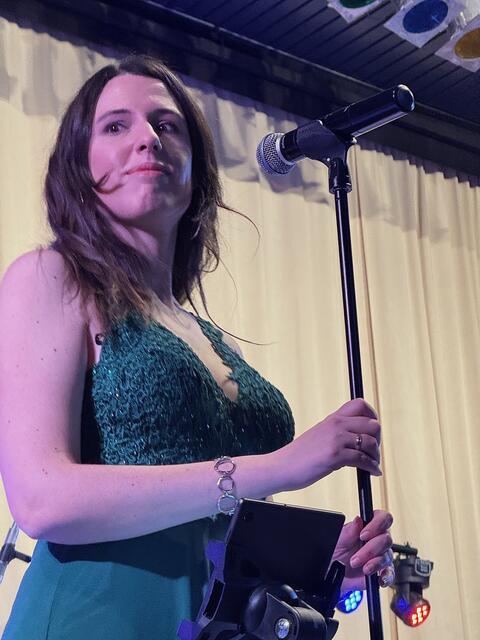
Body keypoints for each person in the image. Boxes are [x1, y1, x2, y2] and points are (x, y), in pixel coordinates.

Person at [0, 55, 394, 639]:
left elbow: (214, 531)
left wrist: (323, 566)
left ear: (196, 170)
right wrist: (278, 467)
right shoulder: (50, 276)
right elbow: (41, 500)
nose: (148, 138)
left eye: (167, 124)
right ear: (78, 166)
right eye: (116, 125)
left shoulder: (210, 341)